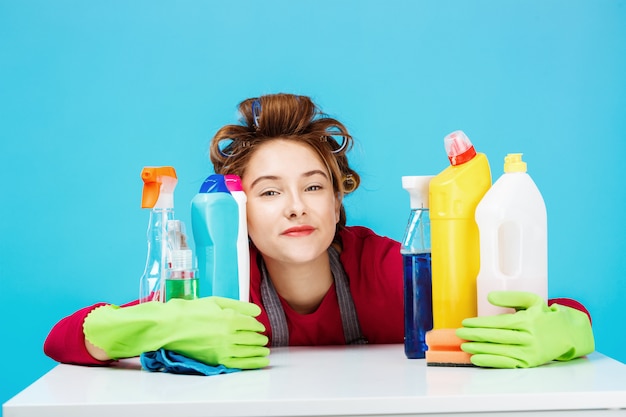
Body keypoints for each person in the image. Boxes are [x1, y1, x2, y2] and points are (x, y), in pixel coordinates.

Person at [44, 93, 594, 370]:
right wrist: (147, 327)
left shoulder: (391, 268)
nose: (293, 208)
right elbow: (62, 339)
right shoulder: (221, 282)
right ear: (239, 211)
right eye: (268, 192)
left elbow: (536, 311)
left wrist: (567, 330)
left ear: (337, 202)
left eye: (312, 187)